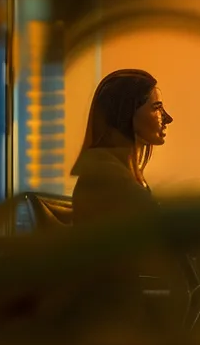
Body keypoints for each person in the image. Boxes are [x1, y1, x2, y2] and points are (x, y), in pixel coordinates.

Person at [71, 69, 173, 227]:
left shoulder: (117, 174)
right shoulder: (106, 181)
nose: (167, 118)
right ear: (127, 112)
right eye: (156, 108)